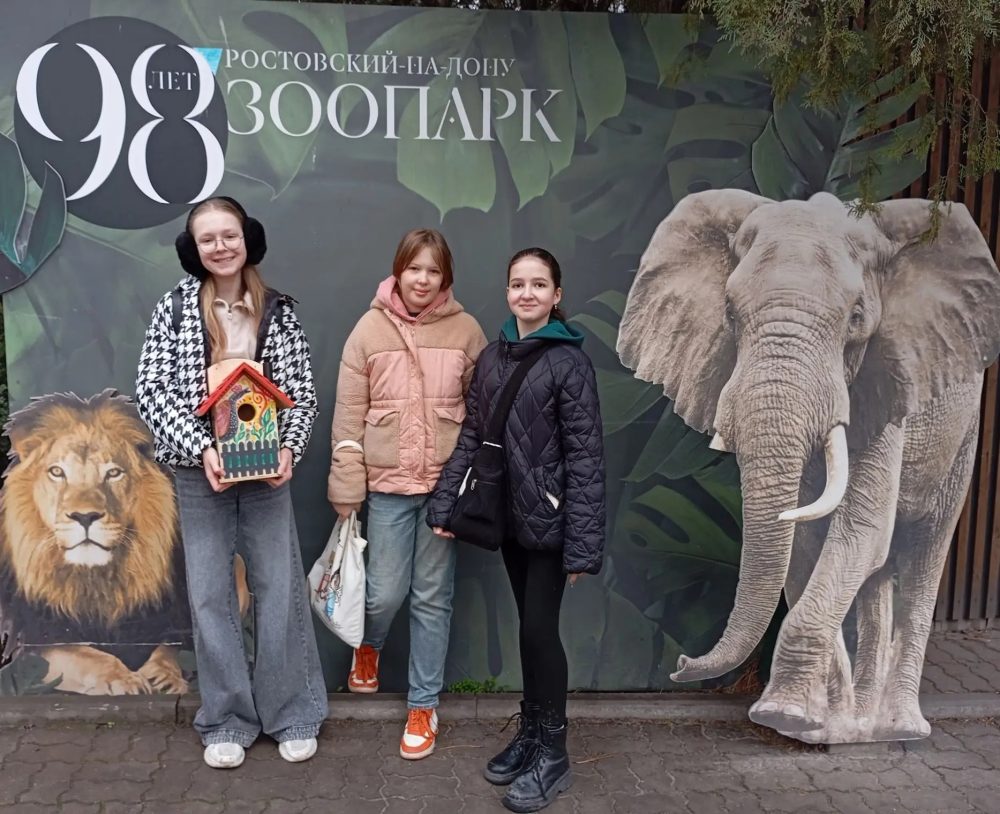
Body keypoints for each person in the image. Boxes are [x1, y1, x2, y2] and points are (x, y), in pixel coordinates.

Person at [135, 196, 327, 769]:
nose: (220, 247)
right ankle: (226, 719)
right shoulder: (174, 309)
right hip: (199, 474)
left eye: (230, 235)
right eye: (208, 239)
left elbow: (301, 391)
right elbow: (152, 390)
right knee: (209, 594)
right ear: (193, 249)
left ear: (248, 239)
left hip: (268, 472)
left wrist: (289, 447)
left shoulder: (278, 310)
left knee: (279, 587)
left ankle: (292, 712)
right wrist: (203, 449)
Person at [427, 248, 606, 813]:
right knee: (529, 630)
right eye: (518, 284)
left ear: (557, 295)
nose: (527, 293)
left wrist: (582, 546)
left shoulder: (570, 364)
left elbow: (586, 458)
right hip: (507, 518)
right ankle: (530, 735)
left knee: (539, 632)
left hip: (551, 522)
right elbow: (473, 435)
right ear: (507, 292)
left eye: (539, 284)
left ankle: (554, 752)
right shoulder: (492, 357)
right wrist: (444, 504)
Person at [328, 228, 487, 759]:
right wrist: (346, 481)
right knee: (384, 593)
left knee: (432, 598)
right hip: (389, 487)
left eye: (433, 271)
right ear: (398, 271)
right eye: (414, 268)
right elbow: (349, 415)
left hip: (444, 489)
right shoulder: (368, 330)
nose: (423, 279)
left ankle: (423, 705)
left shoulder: (466, 331)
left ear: (446, 277)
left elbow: (480, 414)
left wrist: (469, 481)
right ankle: (368, 646)